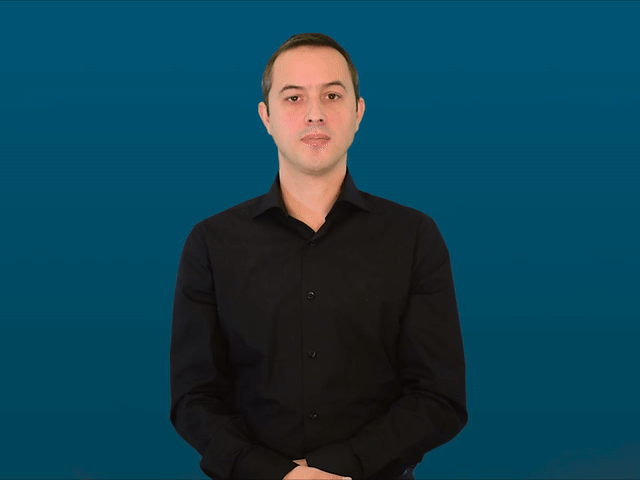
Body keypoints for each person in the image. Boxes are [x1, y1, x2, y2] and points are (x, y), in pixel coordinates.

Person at [170, 32, 468, 480]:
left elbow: (439, 397)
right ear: (266, 117)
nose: (315, 113)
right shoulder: (211, 242)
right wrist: (274, 474)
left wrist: (340, 467)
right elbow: (193, 398)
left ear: (358, 112)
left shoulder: (414, 236)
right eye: (294, 98)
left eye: (332, 95)